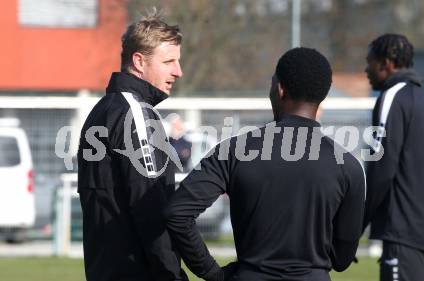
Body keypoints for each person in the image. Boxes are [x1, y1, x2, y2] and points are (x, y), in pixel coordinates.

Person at [164, 48, 366, 281]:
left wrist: (213, 273)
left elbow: (177, 213)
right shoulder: (348, 166)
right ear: (322, 96)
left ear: (279, 89)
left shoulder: (235, 151)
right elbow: (342, 259)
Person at [77, 10, 188, 281]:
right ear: (139, 61)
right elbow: (148, 205)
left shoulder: (103, 109)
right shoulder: (134, 113)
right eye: (169, 61)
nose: (178, 71)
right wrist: (172, 274)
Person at [363, 33, 424, 281]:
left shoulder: (392, 97)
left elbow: (381, 168)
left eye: (370, 62)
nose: (366, 69)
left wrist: (354, 225)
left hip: (402, 229)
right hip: (422, 230)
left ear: (387, 63)